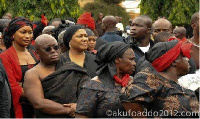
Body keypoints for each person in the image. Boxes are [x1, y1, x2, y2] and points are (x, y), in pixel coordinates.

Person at [121, 40, 199, 118]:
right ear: (174, 61)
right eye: (184, 56)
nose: (188, 59)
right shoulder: (155, 81)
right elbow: (127, 97)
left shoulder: (181, 83)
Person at [23, 34, 90, 118]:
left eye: (56, 47)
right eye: (47, 49)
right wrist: (69, 110)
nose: (53, 51)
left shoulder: (71, 67)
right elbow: (38, 103)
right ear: (37, 53)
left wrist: (80, 106)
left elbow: (88, 90)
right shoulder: (33, 74)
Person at [75, 41, 136, 118]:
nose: (134, 63)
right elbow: (81, 116)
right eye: (131, 59)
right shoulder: (93, 87)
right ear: (117, 60)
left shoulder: (134, 82)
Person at [0, 17, 38, 118]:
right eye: (23, 32)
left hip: (38, 107)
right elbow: (12, 86)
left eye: (30, 32)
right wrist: (38, 96)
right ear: (13, 34)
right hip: (18, 108)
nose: (27, 36)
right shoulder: (5, 56)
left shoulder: (35, 54)